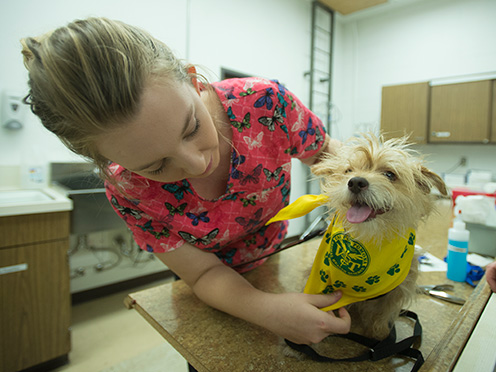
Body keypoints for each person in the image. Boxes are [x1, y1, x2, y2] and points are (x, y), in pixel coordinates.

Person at [21, 17, 350, 347]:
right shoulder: (129, 191)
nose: (198, 164)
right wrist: (267, 310)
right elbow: (203, 274)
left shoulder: (265, 103)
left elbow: (326, 157)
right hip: (213, 286)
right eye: (157, 165)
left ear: (195, 82)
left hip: (274, 256)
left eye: (192, 128)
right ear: (107, 163)